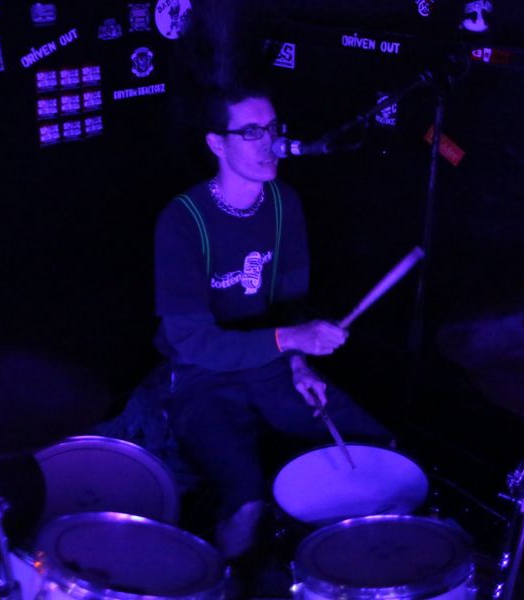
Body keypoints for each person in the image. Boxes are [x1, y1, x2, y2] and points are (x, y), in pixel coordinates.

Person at [153, 87, 392, 561]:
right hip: (202, 375)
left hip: (273, 364)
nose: (271, 143)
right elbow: (194, 343)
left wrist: (300, 363)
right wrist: (291, 340)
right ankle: (227, 584)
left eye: (272, 128)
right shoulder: (183, 221)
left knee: (378, 449)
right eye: (251, 132)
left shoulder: (285, 204)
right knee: (246, 500)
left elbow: (289, 304)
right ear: (217, 144)